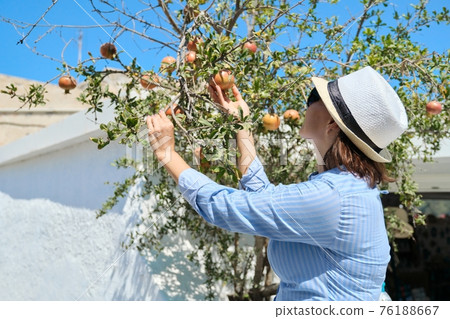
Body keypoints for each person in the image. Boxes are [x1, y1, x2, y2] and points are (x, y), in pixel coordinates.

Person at [146, 66, 408, 301]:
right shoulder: (349, 186)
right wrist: (241, 126)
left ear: (331, 124)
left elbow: (227, 207)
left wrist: (167, 155)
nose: (307, 103)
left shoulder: (334, 195)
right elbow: (262, 196)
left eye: (314, 99)